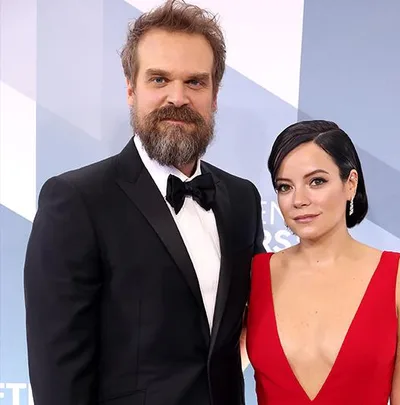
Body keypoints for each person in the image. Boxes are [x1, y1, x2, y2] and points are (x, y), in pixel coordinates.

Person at [23, 1, 265, 405]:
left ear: (215, 94)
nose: (178, 97)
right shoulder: (77, 200)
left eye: (195, 82)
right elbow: (57, 374)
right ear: (131, 90)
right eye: (159, 79)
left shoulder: (242, 199)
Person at [245, 120, 400, 404]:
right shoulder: (254, 275)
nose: (299, 199)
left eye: (316, 181)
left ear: (350, 183)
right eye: (285, 187)